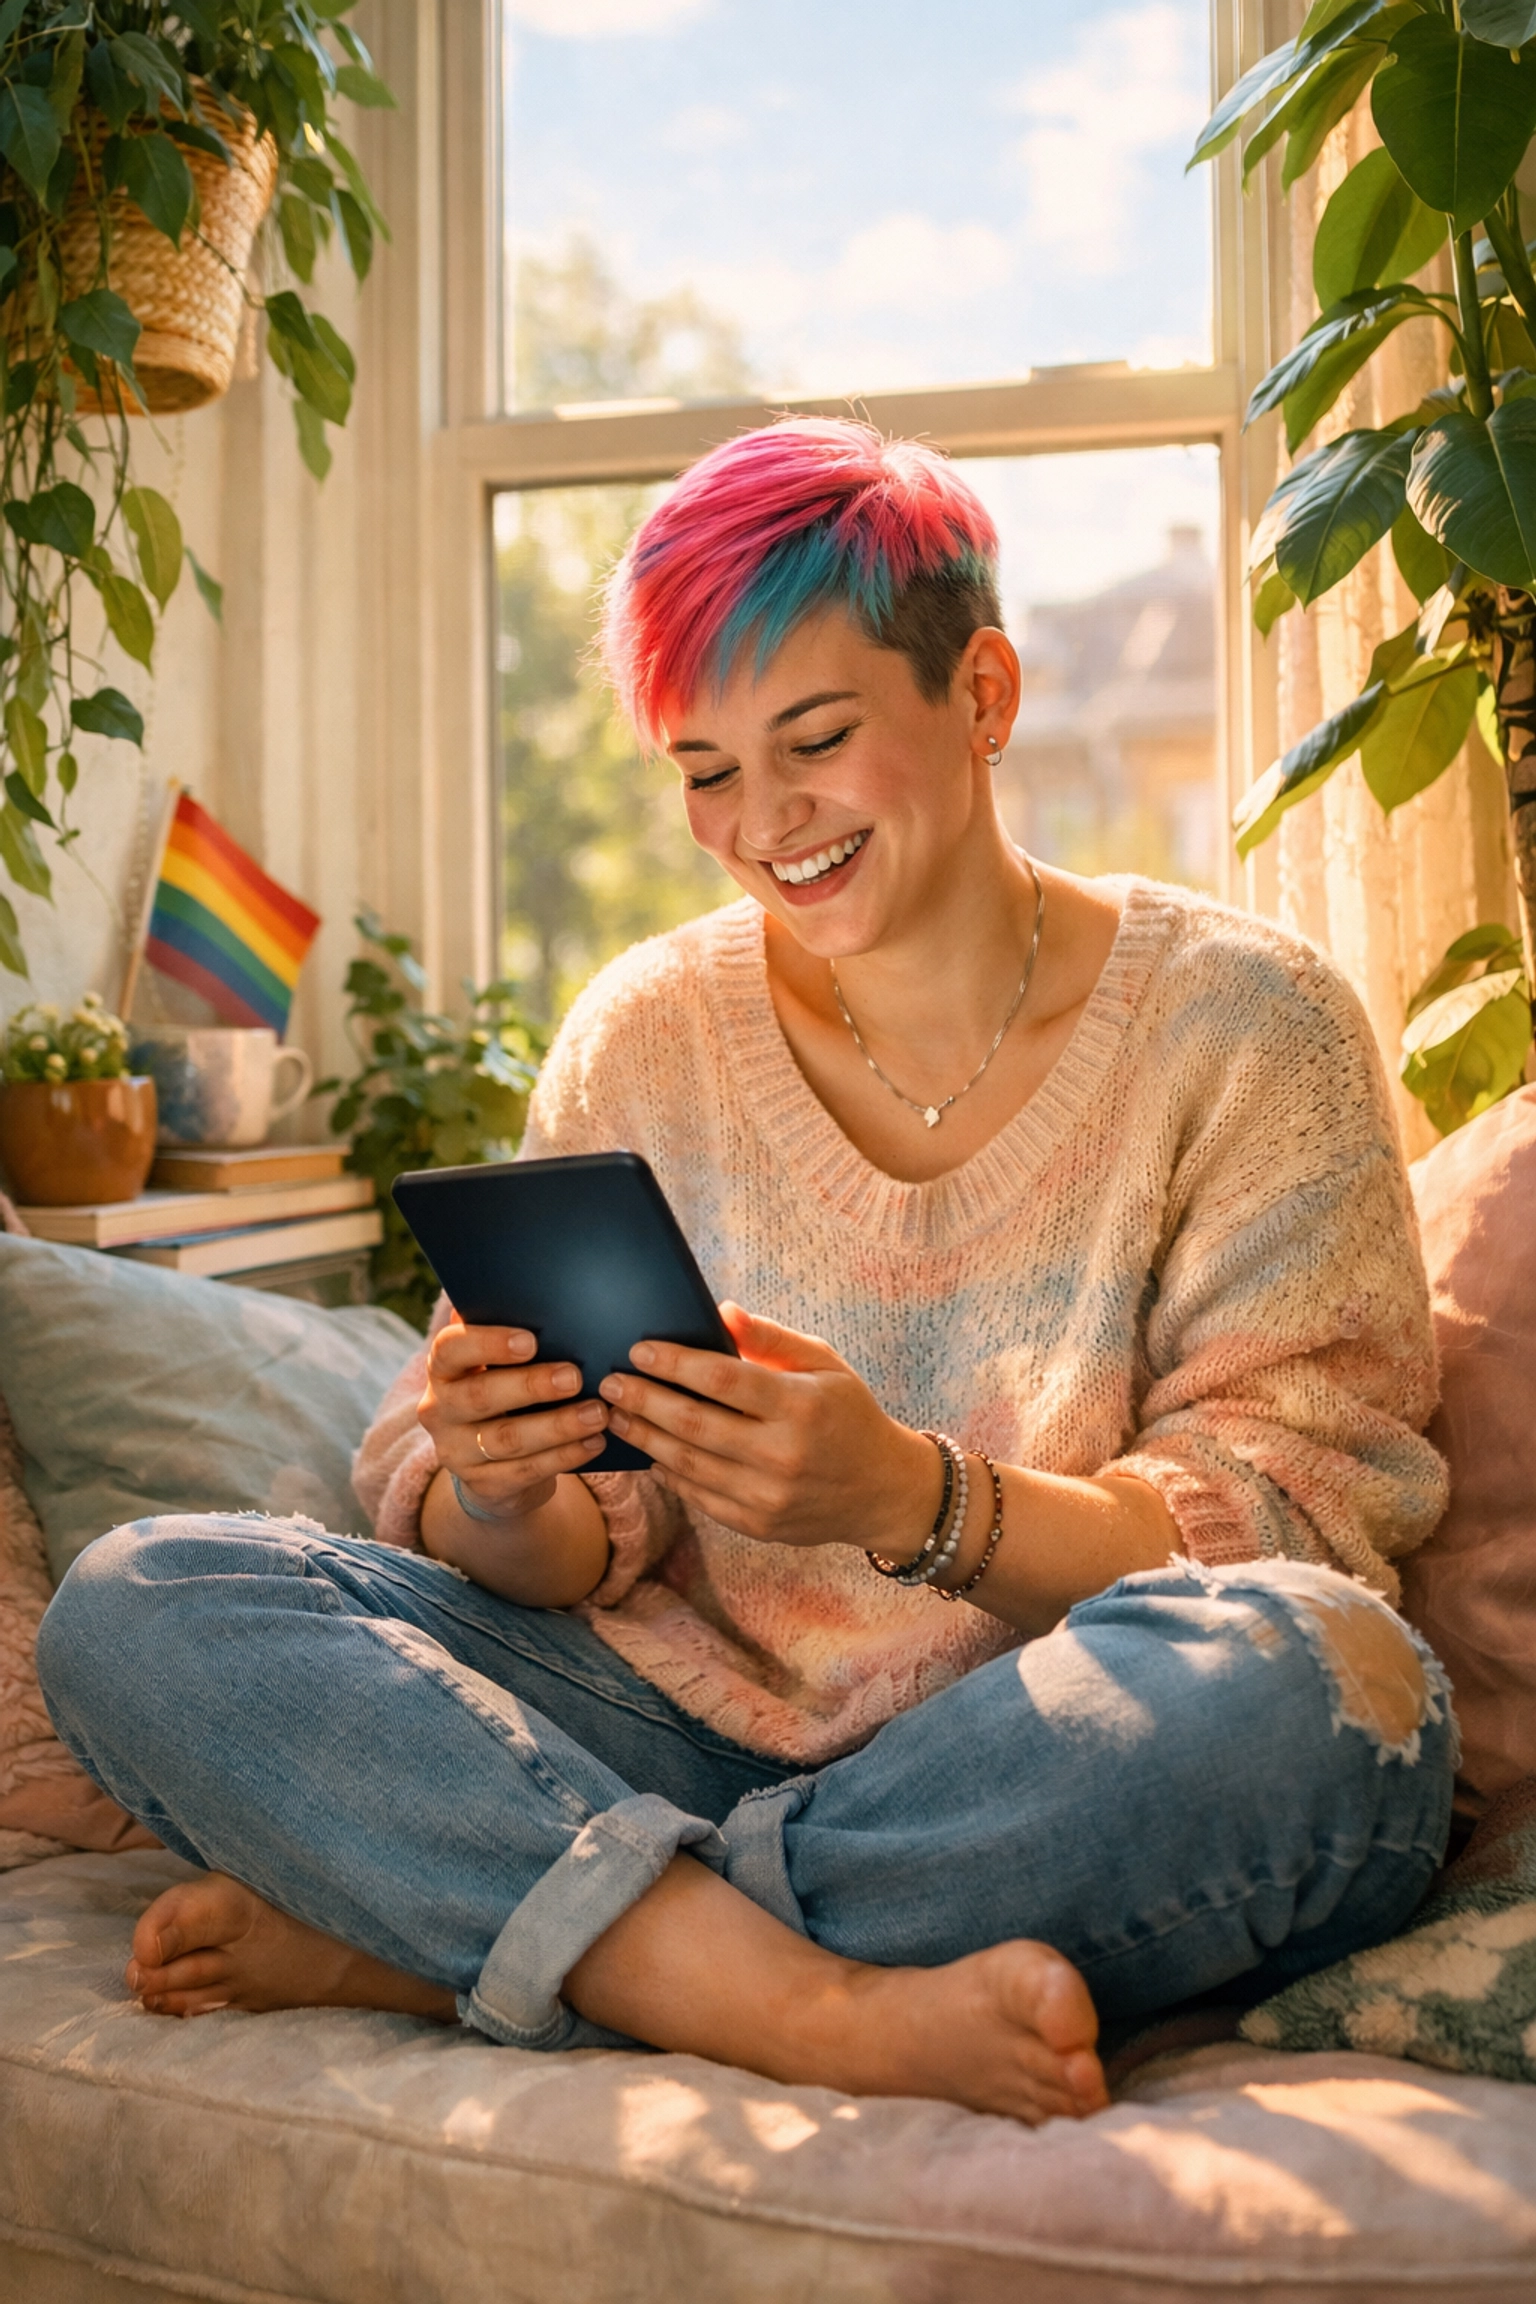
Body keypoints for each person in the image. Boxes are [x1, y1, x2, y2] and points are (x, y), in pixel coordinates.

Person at [38, 420, 1456, 2126]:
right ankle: (787, 1994)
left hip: (1034, 1745)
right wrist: (503, 1488)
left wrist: (912, 1497)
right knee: (140, 1600)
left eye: (817, 740)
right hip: (640, 1716)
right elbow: (577, 1545)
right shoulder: (645, 1032)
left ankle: (508, 1936)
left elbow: (1298, 1525)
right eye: (704, 769)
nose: (763, 821)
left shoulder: (1251, 1027)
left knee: (1325, 1693)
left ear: (984, 694)